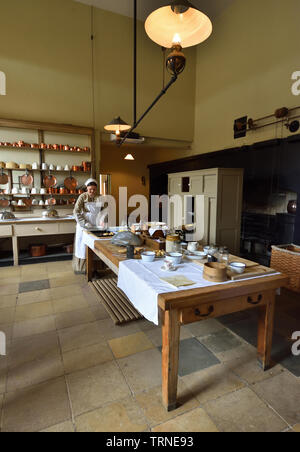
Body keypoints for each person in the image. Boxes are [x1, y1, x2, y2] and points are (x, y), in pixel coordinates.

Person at [73, 179, 99, 274]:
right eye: (90, 189)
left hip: (95, 226)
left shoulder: (99, 197)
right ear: (86, 188)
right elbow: (76, 212)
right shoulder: (82, 197)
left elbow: (103, 211)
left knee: (95, 247)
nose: (92, 191)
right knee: (83, 247)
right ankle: (84, 269)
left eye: (94, 189)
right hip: (84, 226)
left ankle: (95, 269)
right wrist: (84, 223)